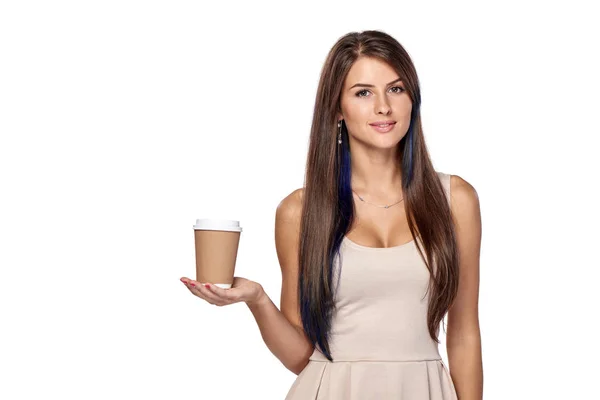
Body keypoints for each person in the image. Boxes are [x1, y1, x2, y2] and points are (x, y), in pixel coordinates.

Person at [180, 30, 483, 399]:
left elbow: (464, 333)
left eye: (396, 89)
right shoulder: (300, 212)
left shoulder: (455, 200)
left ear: (412, 99)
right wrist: (257, 299)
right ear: (338, 108)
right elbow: (299, 356)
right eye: (363, 93)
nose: (383, 107)